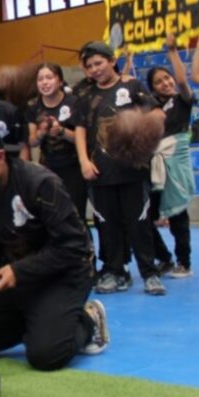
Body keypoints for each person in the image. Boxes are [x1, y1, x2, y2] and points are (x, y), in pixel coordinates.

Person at [0, 123, 109, 371]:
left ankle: (88, 319)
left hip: (66, 272)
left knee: (46, 356)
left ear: (0, 157)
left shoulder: (40, 183)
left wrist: (18, 271)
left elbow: (73, 248)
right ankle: (45, 320)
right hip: (20, 272)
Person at [74, 41, 166, 295]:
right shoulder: (85, 95)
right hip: (99, 172)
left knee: (139, 224)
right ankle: (115, 271)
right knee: (107, 225)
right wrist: (84, 160)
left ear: (112, 61)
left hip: (132, 170)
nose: (94, 69)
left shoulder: (132, 86)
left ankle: (149, 273)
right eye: (89, 65)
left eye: (99, 63)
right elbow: (80, 129)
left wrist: (140, 128)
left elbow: (159, 115)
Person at [146, 32, 196, 278]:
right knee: (145, 216)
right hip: (155, 166)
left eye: (167, 78)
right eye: (158, 82)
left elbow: (184, 82)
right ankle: (164, 257)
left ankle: (184, 262)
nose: (166, 83)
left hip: (175, 162)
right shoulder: (151, 109)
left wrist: (173, 52)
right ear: (152, 88)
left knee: (178, 216)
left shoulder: (183, 100)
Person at [25, 64, 87, 226]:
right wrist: (42, 132)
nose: (44, 83)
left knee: (76, 216)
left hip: (73, 167)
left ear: (60, 81)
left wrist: (62, 132)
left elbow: (82, 139)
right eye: (40, 79)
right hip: (48, 168)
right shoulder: (33, 106)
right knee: (51, 216)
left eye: (49, 78)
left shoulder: (74, 102)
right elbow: (32, 141)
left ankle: (85, 251)